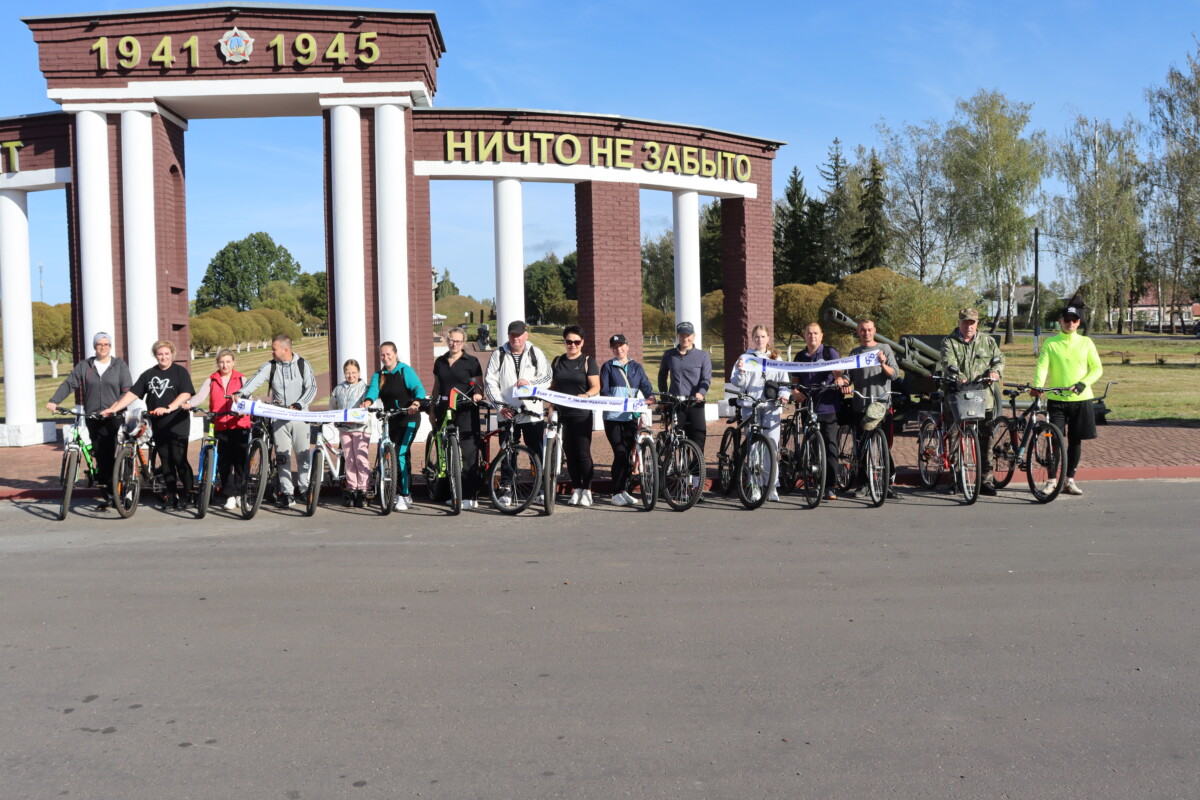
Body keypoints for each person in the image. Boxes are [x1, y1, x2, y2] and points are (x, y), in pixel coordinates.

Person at [104, 340, 195, 509]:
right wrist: (114, 408)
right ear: (155, 355)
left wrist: (169, 408)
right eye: (160, 354)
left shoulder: (179, 372)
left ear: (172, 355)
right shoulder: (149, 374)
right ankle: (172, 496)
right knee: (166, 461)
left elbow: (185, 394)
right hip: (158, 424)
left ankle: (190, 494)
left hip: (177, 423)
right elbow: (132, 394)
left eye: (166, 354)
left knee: (179, 458)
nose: (163, 357)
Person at [46, 332, 133, 511]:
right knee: (99, 452)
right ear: (95, 346)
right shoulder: (85, 366)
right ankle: (107, 490)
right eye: (99, 344)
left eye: (106, 344)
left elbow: (126, 391)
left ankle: (118, 490)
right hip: (92, 416)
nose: (103, 347)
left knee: (109, 452)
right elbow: (69, 383)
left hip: (113, 416)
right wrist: (54, 400)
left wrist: (114, 408)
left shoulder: (119, 365)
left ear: (110, 346)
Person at [238, 334, 318, 509]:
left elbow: (312, 387)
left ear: (285, 349)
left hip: (300, 417)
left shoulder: (303, 364)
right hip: (279, 418)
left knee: (303, 456)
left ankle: (304, 490)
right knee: (282, 457)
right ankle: (287, 493)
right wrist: (241, 393)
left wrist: (300, 404)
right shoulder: (270, 366)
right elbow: (256, 380)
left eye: (274, 349)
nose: (271, 352)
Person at [1033, 305, 1103, 496]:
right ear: (1060, 321)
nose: (1070, 323)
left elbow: (1097, 369)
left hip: (1081, 399)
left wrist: (1083, 383)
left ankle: (1069, 480)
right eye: (1067, 319)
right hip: (1057, 400)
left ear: (1079, 322)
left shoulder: (1086, 342)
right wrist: (1038, 386)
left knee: (1075, 441)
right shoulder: (1051, 343)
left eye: (1074, 319)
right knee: (1054, 441)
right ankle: (1051, 481)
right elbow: (1042, 367)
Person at [938, 308, 1004, 495]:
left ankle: (985, 481)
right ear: (959, 322)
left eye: (972, 322)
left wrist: (995, 371)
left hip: (983, 398)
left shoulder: (988, 341)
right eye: (965, 322)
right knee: (955, 438)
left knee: (986, 439)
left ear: (977, 324)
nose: (969, 326)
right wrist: (958, 375)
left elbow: (999, 359)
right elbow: (948, 362)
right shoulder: (949, 342)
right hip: (957, 397)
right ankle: (956, 480)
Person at [728, 325, 792, 501]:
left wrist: (784, 396)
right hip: (751, 407)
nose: (760, 340)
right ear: (752, 338)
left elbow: (784, 382)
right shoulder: (745, 358)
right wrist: (741, 371)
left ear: (768, 338)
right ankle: (755, 485)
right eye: (757, 336)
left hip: (771, 407)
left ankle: (771, 486)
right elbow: (737, 382)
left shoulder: (776, 358)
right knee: (754, 448)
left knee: (771, 446)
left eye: (763, 336)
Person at [837, 318, 898, 499]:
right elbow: (847, 376)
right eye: (863, 330)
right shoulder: (855, 353)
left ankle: (886, 484)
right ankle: (863, 484)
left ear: (874, 330)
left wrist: (883, 364)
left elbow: (894, 374)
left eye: (869, 329)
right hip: (861, 406)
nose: (866, 333)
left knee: (884, 447)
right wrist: (844, 383)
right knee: (861, 447)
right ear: (858, 332)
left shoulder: (885, 349)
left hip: (882, 406)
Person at [361, 341, 426, 511]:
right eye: (382, 355)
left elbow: (419, 390)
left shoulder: (405, 370)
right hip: (391, 419)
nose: (385, 357)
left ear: (395, 354)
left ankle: (403, 495)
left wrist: (416, 403)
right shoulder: (379, 375)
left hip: (409, 418)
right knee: (400, 455)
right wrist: (367, 402)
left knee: (400, 453)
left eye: (388, 354)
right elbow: (373, 391)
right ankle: (403, 492)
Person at [184, 349, 252, 511]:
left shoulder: (242, 379)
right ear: (217, 363)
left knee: (241, 461)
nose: (225, 365)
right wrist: (189, 404)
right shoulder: (212, 380)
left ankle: (241, 494)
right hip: (221, 425)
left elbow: (249, 398)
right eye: (221, 362)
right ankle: (230, 495)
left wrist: (244, 410)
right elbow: (200, 396)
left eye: (228, 362)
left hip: (239, 424)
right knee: (224, 462)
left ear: (233, 362)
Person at [484, 320, 552, 477]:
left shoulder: (536, 353)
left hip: (532, 413)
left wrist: (530, 384)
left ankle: (540, 483)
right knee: (507, 452)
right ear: (508, 336)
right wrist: (501, 407)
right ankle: (507, 485)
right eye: (512, 335)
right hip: (507, 413)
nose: (516, 338)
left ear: (526, 335)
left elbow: (547, 378)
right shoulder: (498, 354)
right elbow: (490, 382)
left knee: (536, 452)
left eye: (519, 335)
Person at [430, 327, 485, 510]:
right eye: (452, 340)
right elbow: (437, 387)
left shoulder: (471, 361)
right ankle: (449, 492)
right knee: (445, 451)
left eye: (458, 341)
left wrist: (477, 394)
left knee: (468, 451)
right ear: (447, 341)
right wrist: (432, 409)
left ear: (463, 342)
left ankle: (469, 495)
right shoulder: (440, 362)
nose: (455, 344)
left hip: (465, 409)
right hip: (444, 409)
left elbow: (478, 385)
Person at [600, 333, 654, 507]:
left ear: (627, 347)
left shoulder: (636, 367)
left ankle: (624, 490)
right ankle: (616, 492)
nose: (619, 349)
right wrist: (618, 403)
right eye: (615, 347)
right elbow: (604, 391)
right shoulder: (608, 367)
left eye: (621, 346)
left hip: (631, 417)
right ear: (612, 349)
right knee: (620, 453)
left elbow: (646, 385)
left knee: (629, 455)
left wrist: (651, 397)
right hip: (613, 418)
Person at [550, 325, 601, 507]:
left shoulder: (588, 361)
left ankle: (587, 489)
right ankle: (576, 488)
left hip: (581, 413)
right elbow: (553, 386)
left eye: (576, 342)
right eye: (569, 341)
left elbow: (596, 386)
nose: (572, 345)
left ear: (582, 343)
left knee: (583, 453)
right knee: (569, 453)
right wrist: (548, 406)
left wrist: (586, 395)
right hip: (562, 413)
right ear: (564, 342)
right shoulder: (558, 361)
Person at [791, 322, 843, 501]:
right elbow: (795, 381)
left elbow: (838, 374)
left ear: (821, 335)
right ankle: (816, 482)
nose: (812, 336)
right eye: (809, 333)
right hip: (808, 406)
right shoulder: (799, 356)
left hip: (828, 406)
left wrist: (839, 381)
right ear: (804, 336)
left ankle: (830, 486)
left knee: (830, 446)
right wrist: (795, 392)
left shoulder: (830, 353)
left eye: (815, 333)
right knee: (812, 446)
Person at [330, 358, 369, 508]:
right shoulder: (338, 389)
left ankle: (363, 489)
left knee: (360, 459)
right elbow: (332, 406)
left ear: (359, 372)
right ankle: (352, 489)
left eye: (353, 372)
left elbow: (368, 407)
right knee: (349, 459)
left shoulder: (364, 388)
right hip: (345, 429)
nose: (351, 375)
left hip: (360, 428)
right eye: (347, 373)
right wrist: (335, 418)